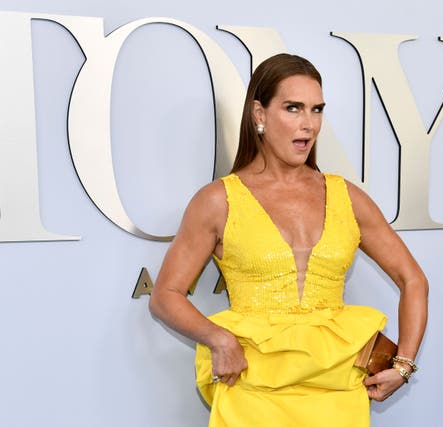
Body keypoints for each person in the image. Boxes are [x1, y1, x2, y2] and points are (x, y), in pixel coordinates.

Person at [149, 53, 428, 426]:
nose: (308, 124)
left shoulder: (348, 197)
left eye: (316, 110)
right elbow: (165, 295)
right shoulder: (217, 200)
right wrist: (219, 338)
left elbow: (413, 280)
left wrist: (403, 365)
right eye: (293, 108)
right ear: (260, 114)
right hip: (252, 391)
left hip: (337, 396)